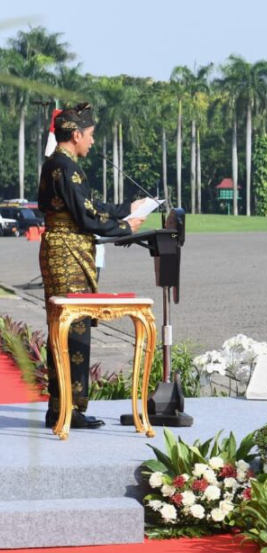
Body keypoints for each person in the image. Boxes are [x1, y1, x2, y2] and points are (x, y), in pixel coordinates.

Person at [38, 103, 146, 430]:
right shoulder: (64, 167)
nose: (92, 142)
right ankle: (68, 409)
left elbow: (90, 206)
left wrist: (125, 209)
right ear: (75, 134)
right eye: (91, 135)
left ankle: (65, 408)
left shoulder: (62, 165)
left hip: (69, 251)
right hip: (66, 252)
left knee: (70, 328)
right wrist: (125, 227)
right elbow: (86, 217)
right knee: (73, 329)